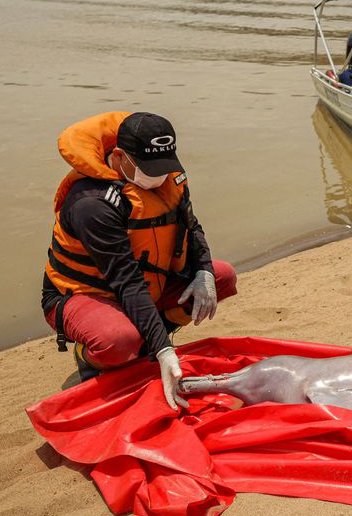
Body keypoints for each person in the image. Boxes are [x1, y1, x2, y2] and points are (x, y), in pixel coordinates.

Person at [41, 111, 237, 409]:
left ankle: (146, 337)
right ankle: (89, 355)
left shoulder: (170, 180)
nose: (158, 176)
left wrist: (204, 272)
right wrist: (165, 351)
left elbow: (191, 227)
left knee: (222, 276)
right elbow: (126, 280)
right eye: (149, 168)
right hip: (89, 293)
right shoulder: (91, 204)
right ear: (119, 157)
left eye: (163, 167)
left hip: (148, 284)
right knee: (118, 341)